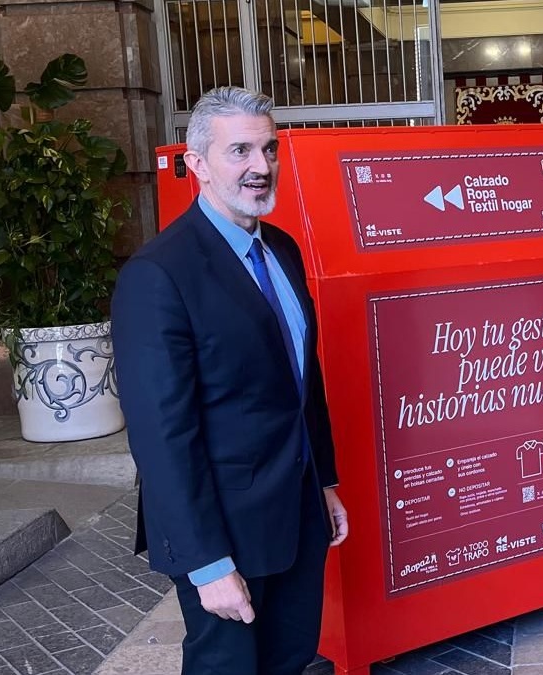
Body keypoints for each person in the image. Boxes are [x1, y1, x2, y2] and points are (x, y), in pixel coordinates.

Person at [112, 86, 348, 675]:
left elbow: (300, 382)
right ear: (197, 164)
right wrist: (206, 561)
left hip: (297, 511)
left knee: (289, 660)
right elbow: (161, 435)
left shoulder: (284, 252)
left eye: (269, 149)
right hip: (224, 531)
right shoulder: (158, 274)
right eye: (239, 151)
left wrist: (325, 480)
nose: (260, 167)